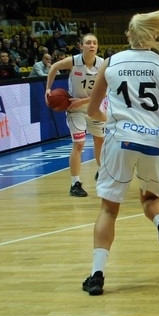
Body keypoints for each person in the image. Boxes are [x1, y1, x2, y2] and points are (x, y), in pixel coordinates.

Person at [81, 8, 159, 296]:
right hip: (155, 143)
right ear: (154, 35)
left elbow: (93, 109)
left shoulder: (111, 62)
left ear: (129, 35)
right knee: (151, 197)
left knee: (109, 209)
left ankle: (97, 274)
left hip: (121, 141)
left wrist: (111, 121)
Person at [45, 33, 105, 197]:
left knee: (100, 140)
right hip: (75, 108)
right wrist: (48, 89)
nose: (92, 45)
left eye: (94, 42)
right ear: (81, 46)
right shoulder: (73, 61)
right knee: (79, 144)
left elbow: (106, 91)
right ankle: (75, 183)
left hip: (94, 106)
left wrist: (84, 100)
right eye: (88, 43)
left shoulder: (103, 64)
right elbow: (54, 67)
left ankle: (101, 172)